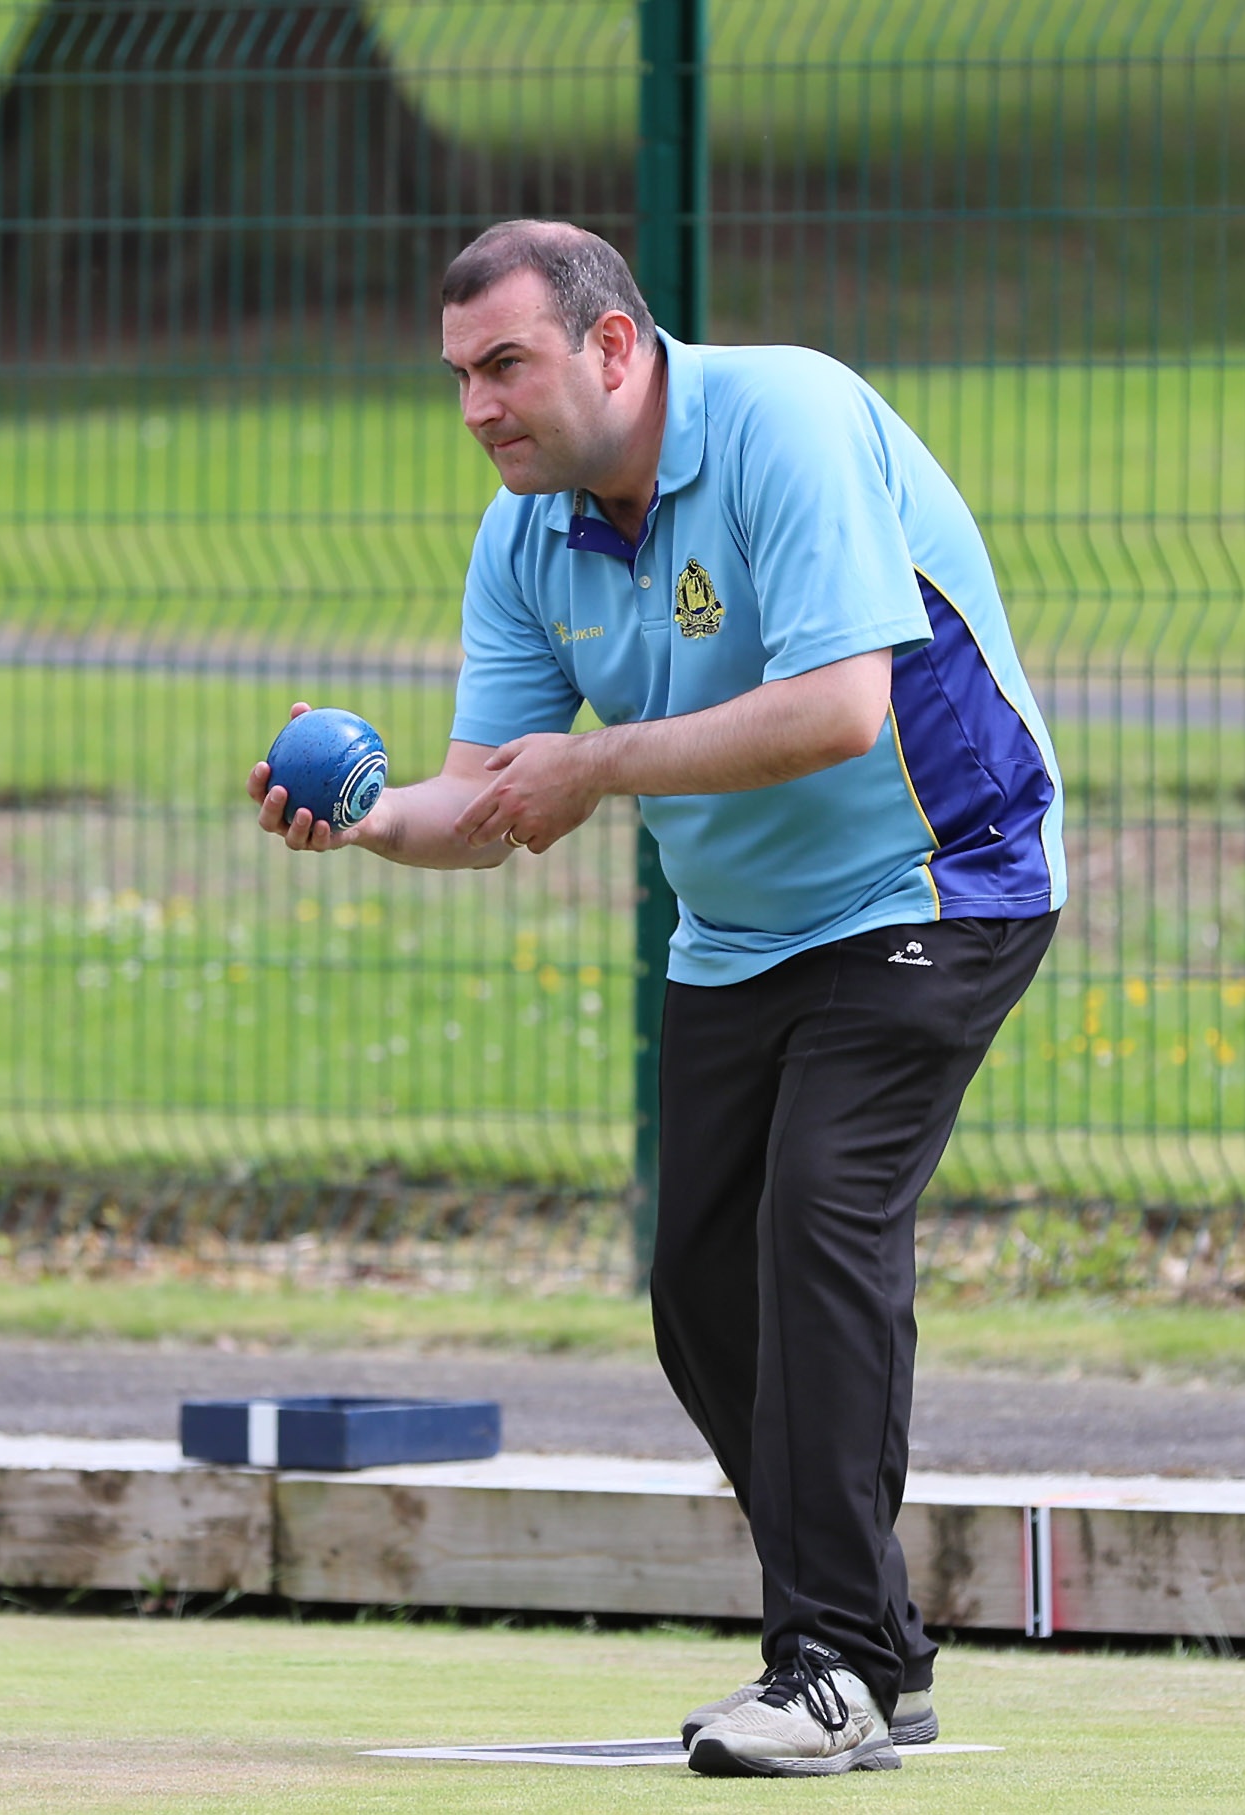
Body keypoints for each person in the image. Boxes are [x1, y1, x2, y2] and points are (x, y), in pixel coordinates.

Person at [250, 220, 1065, 1778]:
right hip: (741, 931)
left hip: (940, 876)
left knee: (818, 1217)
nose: (478, 407)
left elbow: (840, 710)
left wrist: (598, 764)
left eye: (505, 365)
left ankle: (826, 1663)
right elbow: (486, 801)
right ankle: (879, 1650)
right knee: (700, 1290)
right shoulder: (528, 535)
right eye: (459, 376)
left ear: (612, 345)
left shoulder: (786, 421)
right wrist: (366, 821)